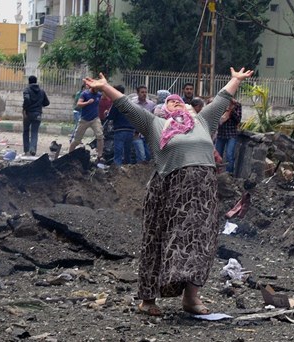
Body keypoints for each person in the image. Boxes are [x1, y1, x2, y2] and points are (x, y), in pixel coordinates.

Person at [81, 67, 254, 316]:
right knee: (158, 241)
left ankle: (191, 299)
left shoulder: (203, 122)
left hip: (202, 194)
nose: (176, 104)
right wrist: (105, 87)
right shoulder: (155, 124)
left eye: (180, 102)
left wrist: (235, 80)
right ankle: (148, 300)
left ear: (189, 108)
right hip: (169, 191)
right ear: (163, 109)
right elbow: (127, 107)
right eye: (170, 102)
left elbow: (221, 99)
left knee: (200, 243)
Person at [68, 85, 104, 163]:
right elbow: (78, 104)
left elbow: (107, 98)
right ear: (92, 87)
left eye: (99, 89)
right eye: (97, 88)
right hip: (84, 119)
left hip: (95, 119)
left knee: (100, 136)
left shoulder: (99, 94)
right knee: (77, 140)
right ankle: (69, 155)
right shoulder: (85, 94)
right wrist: (87, 102)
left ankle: (99, 156)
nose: (98, 90)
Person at [106, 85, 136, 166]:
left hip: (120, 130)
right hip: (130, 130)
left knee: (118, 153)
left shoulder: (116, 102)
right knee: (127, 153)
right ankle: (128, 170)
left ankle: (117, 171)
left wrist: (106, 114)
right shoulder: (130, 102)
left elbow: (111, 116)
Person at [22, 75, 50, 156]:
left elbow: (26, 99)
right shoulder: (42, 91)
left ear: (29, 81)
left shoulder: (27, 89)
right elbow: (47, 103)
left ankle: (26, 150)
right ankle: (33, 149)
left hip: (28, 113)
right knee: (34, 132)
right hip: (38, 113)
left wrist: (25, 109)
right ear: (36, 81)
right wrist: (39, 105)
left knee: (26, 131)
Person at [215, 98, 242, 174]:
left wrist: (231, 110)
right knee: (217, 155)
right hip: (221, 134)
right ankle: (216, 174)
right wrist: (226, 110)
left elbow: (238, 119)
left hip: (231, 134)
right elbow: (218, 119)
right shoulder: (220, 104)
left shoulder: (237, 105)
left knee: (229, 155)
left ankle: (229, 175)